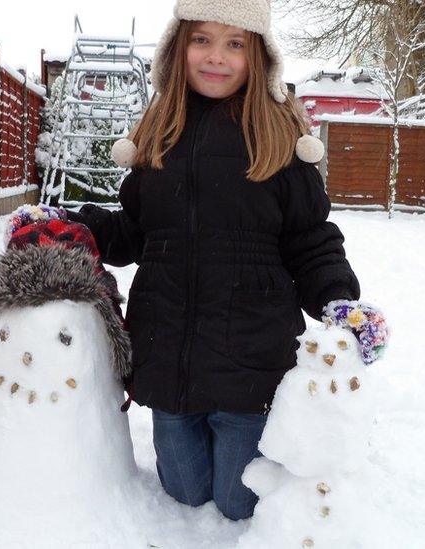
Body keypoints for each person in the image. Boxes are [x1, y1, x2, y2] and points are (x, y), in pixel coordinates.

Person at [65, 0, 378, 521]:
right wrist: (77, 227)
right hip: (169, 359)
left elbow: (310, 240)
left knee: (238, 504)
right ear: (178, 47)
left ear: (258, 56)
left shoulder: (277, 139)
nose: (216, 57)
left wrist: (338, 301)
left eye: (235, 43)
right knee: (185, 494)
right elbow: (137, 232)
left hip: (249, 364)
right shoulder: (160, 134)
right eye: (202, 39)